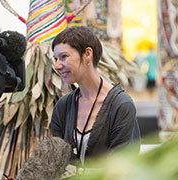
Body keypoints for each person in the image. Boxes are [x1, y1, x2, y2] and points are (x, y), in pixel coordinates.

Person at [50, 26, 141, 166]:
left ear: (87, 54)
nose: (57, 65)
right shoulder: (63, 106)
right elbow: (56, 161)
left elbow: (123, 165)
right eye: (56, 58)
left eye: (64, 57)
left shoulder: (121, 105)